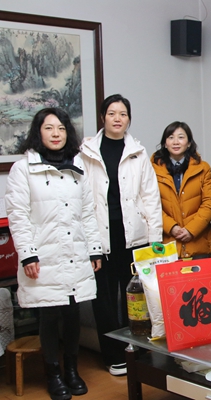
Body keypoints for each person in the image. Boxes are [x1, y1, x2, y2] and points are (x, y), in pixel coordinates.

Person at [5, 108, 103, 400]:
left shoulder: (77, 167)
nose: (56, 134)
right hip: (43, 256)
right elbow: (18, 216)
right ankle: (53, 374)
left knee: (72, 312)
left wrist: (94, 249)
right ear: (39, 132)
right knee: (49, 312)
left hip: (74, 252)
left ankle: (71, 370)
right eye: (49, 128)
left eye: (60, 128)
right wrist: (28, 255)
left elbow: (88, 214)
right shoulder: (22, 169)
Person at [80, 94, 162, 376]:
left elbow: (151, 197)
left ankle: (137, 350)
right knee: (103, 299)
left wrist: (155, 239)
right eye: (112, 113)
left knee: (137, 297)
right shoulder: (87, 152)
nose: (118, 118)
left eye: (123, 114)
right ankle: (113, 356)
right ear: (102, 117)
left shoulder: (138, 152)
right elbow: (81, 197)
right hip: (100, 237)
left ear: (129, 119)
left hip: (134, 236)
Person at [151, 121, 211, 258]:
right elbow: (150, 204)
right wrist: (171, 227)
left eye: (181, 137)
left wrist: (191, 230)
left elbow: (210, 202)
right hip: (167, 244)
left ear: (189, 143)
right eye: (171, 137)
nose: (176, 142)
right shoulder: (152, 170)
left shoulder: (203, 168)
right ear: (165, 143)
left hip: (199, 243)